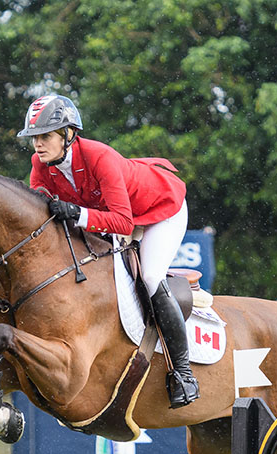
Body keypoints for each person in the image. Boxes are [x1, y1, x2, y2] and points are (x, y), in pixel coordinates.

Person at [18, 94, 199, 408]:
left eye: (46, 136)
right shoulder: (40, 165)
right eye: (35, 138)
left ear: (69, 135)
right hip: (112, 217)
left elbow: (122, 221)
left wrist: (76, 212)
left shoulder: (100, 157)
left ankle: (183, 373)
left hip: (160, 210)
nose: (38, 145)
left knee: (152, 276)